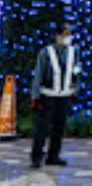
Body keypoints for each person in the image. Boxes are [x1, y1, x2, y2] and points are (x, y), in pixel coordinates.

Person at [30, 22, 80, 169]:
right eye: (65, 34)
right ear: (57, 36)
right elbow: (39, 74)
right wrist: (35, 96)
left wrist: (75, 91)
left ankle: (53, 156)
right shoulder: (46, 52)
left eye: (70, 34)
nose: (68, 38)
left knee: (59, 128)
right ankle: (36, 157)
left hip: (65, 95)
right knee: (42, 128)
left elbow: (77, 72)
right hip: (48, 95)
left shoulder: (74, 52)